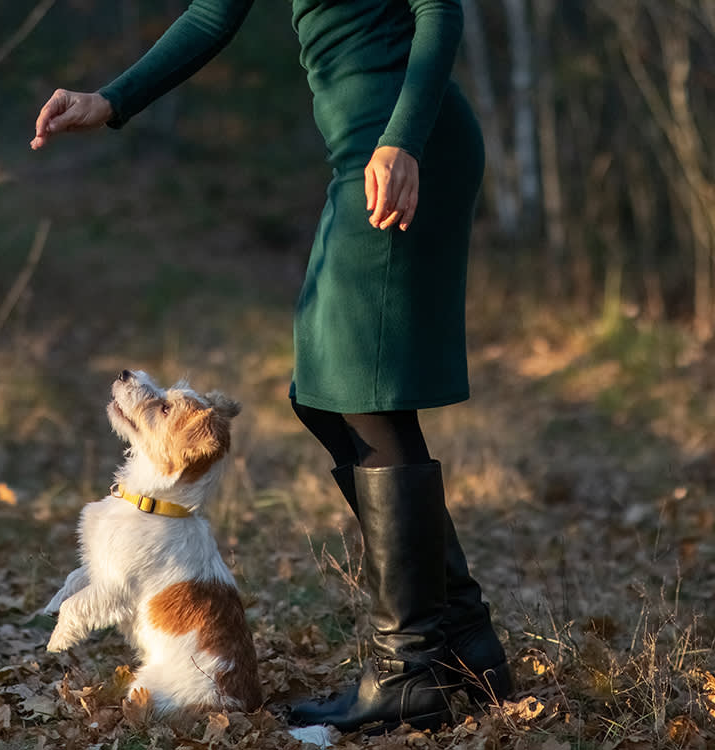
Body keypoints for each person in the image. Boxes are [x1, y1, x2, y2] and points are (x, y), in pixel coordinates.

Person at [31, 0, 513, 734]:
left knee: (366, 397)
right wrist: (111, 99)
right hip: (364, 153)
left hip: (399, 150)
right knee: (325, 397)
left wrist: (403, 140)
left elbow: (437, 10)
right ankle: (464, 646)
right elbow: (213, 13)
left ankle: (414, 665)